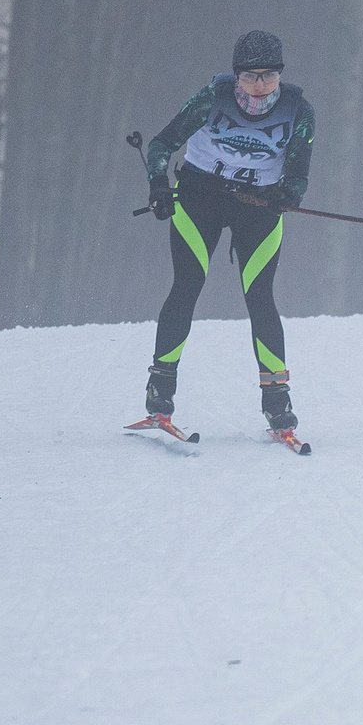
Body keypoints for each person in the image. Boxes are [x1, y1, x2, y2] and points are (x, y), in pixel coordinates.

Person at [138, 30, 315, 443]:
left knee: (261, 297)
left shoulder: (298, 110)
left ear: (279, 75)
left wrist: (288, 195)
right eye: (251, 76)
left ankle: (278, 407)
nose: (260, 86)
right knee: (186, 288)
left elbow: (299, 171)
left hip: (258, 209)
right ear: (236, 76)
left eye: (269, 76)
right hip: (199, 201)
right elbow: (163, 144)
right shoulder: (211, 99)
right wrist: (158, 186)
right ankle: (159, 397)